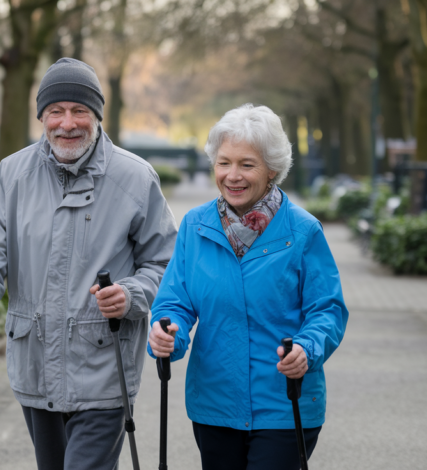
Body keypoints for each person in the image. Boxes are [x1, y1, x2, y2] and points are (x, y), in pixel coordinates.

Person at [0, 58, 178, 470]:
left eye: (79, 111)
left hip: (105, 371)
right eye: (56, 111)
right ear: (42, 117)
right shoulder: (12, 175)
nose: (67, 123)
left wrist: (131, 295)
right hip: (35, 367)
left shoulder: (136, 179)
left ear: (97, 115)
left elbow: (166, 264)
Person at [147, 104, 348, 470]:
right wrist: (166, 334)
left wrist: (306, 347)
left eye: (247, 164)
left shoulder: (303, 231)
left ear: (272, 170)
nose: (232, 176)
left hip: (284, 404)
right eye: (223, 163)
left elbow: (327, 310)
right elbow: (174, 302)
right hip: (215, 403)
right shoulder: (195, 225)